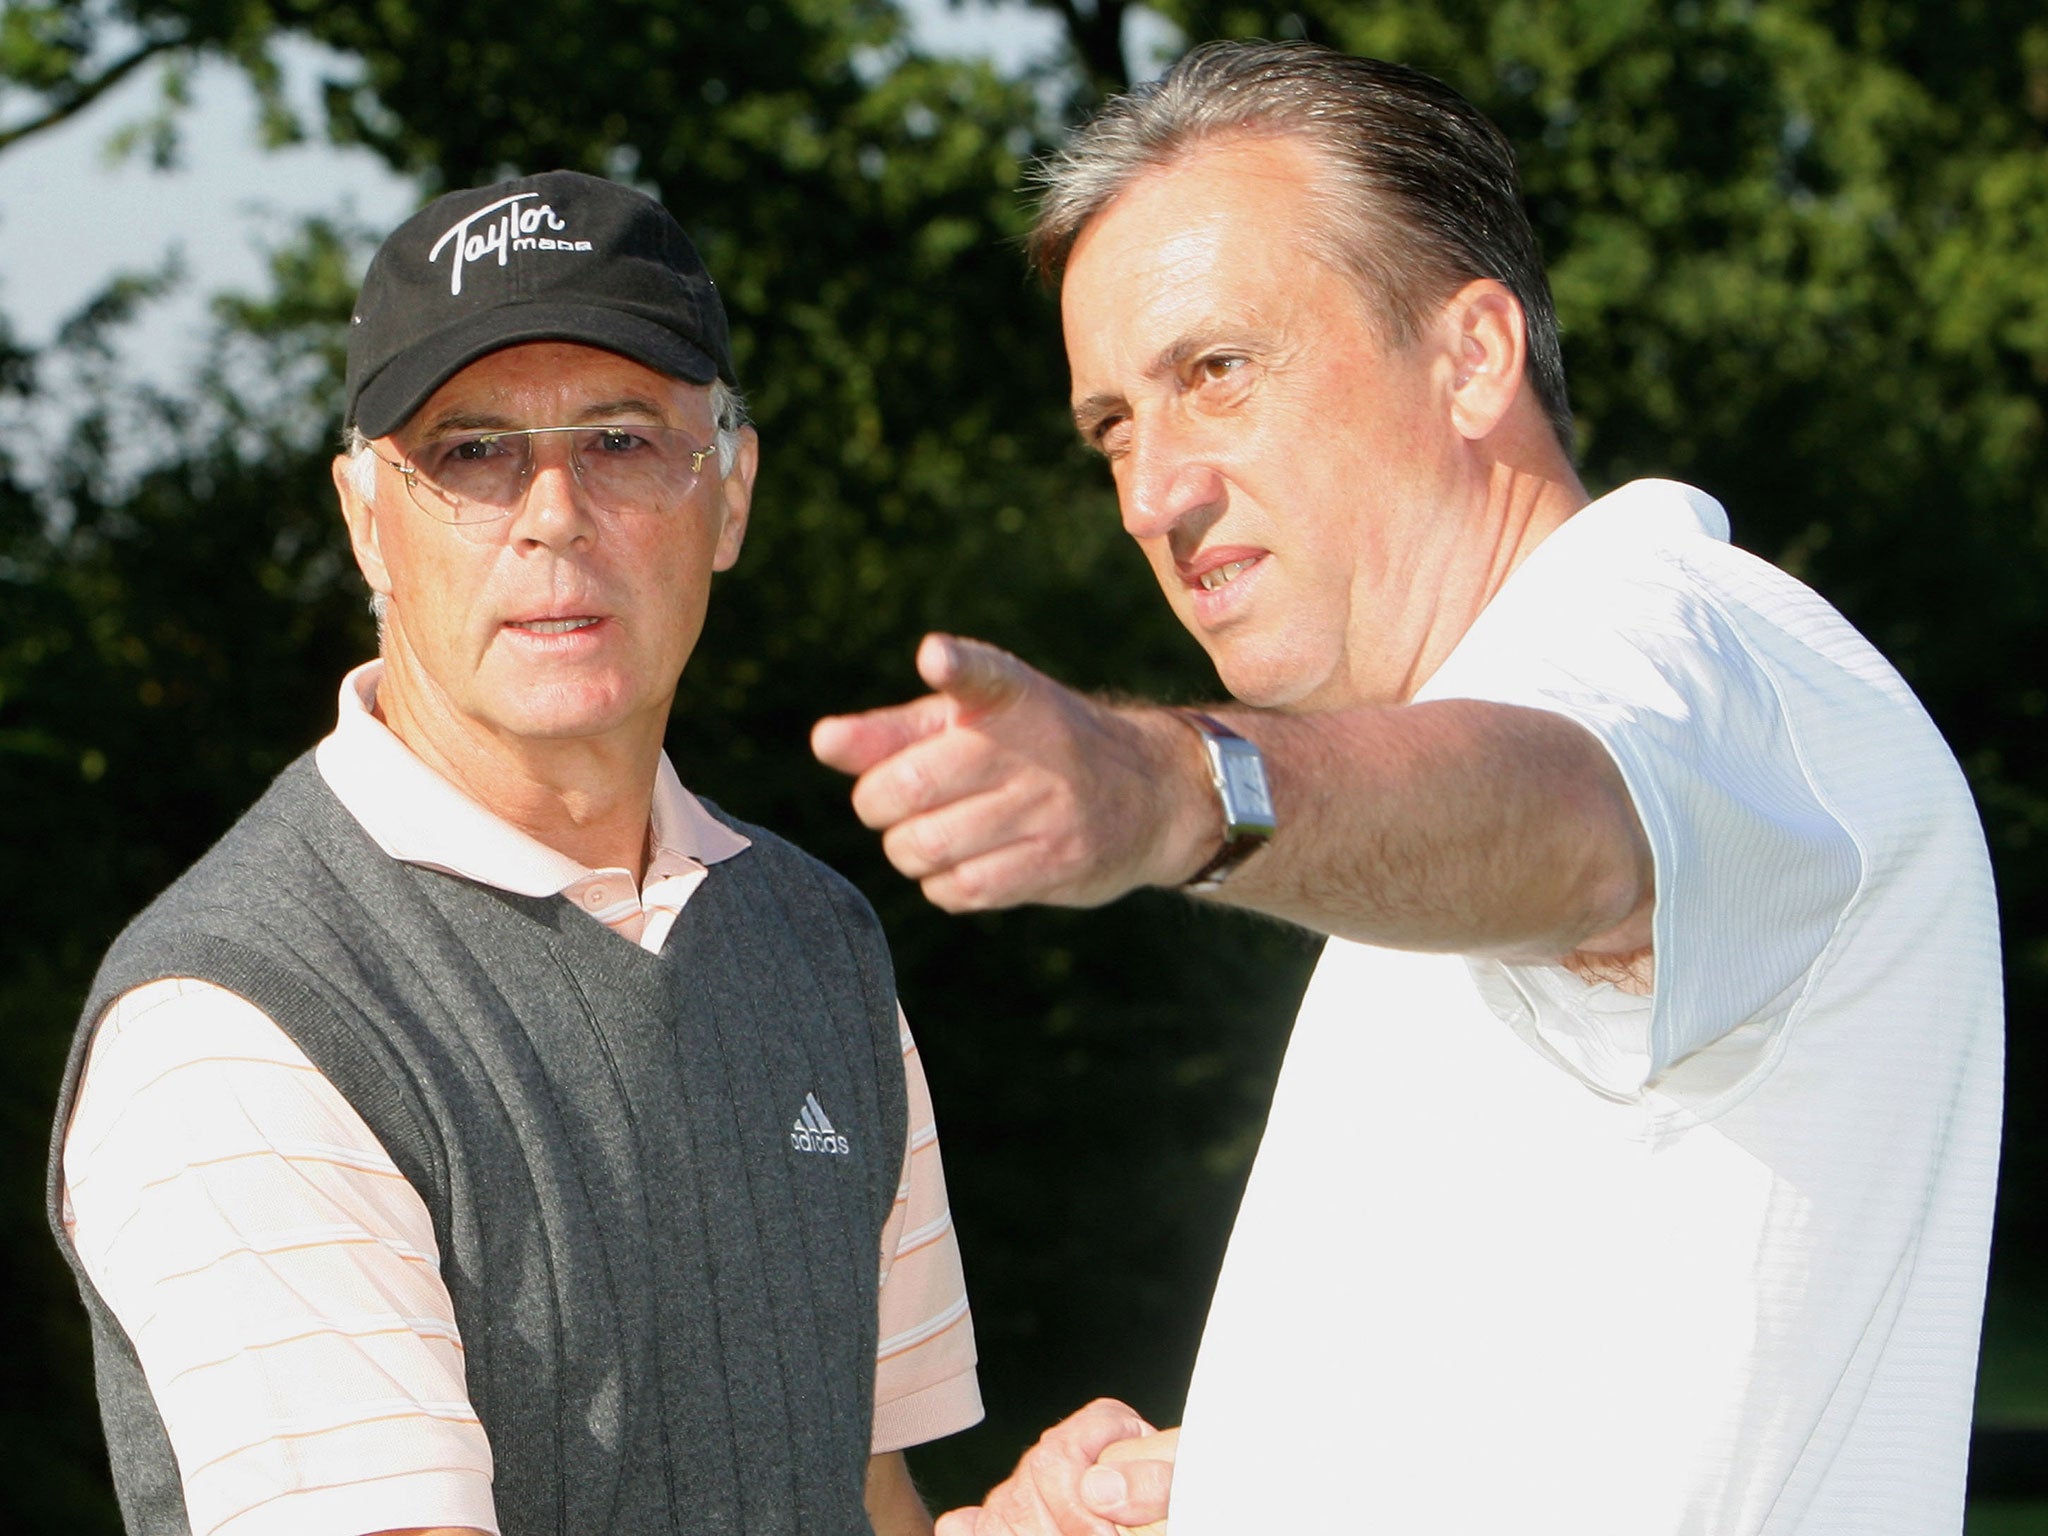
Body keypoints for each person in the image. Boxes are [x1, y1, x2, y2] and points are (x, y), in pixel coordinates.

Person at [811, 41, 2002, 1536]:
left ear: (1474, 357)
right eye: (1115, 425)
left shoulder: (1698, 647)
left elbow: (1572, 820)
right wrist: (1240, 1478)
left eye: (1217, 372)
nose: (1151, 491)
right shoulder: (1435, 819)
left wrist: (1173, 789)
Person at [48, 170, 979, 1536]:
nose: (554, 513)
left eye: (621, 439)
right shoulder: (234, 1018)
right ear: (369, 519)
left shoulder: (816, 940)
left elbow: (862, 1496)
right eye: (474, 452)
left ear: (731, 496)